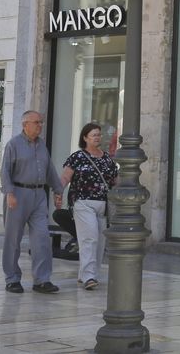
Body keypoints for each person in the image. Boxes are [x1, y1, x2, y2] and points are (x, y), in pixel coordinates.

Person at [1, 110, 65, 293]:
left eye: (41, 122)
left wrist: (57, 189)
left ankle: (42, 280)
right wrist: (9, 193)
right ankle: (12, 278)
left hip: (38, 196)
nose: (40, 126)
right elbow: (5, 171)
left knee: (42, 238)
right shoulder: (13, 145)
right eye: (36, 122)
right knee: (13, 239)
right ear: (25, 124)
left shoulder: (42, 145)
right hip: (18, 194)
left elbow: (49, 169)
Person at [60, 121, 118, 290]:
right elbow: (65, 177)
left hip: (103, 204)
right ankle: (88, 276)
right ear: (85, 138)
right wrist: (58, 192)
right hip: (83, 202)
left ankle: (87, 274)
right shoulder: (77, 157)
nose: (97, 137)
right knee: (89, 238)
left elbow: (115, 180)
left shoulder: (107, 157)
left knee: (100, 242)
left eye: (99, 134)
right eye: (94, 135)